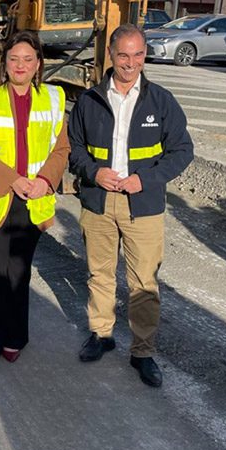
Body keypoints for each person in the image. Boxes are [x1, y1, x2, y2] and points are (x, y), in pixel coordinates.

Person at [68, 24, 193, 387]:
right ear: (111, 54)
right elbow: (74, 150)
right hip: (99, 202)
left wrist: (146, 180)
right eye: (123, 55)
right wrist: (93, 171)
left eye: (138, 54)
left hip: (144, 205)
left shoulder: (161, 101)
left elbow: (183, 151)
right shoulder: (89, 101)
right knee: (99, 274)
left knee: (143, 283)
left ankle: (143, 351)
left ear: (144, 55)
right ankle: (101, 335)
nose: (131, 63)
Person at [0, 30, 70, 364]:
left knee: (19, 273)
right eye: (14, 59)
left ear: (38, 63)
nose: (20, 66)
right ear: (4, 63)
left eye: (27, 59)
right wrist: (12, 180)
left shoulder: (54, 98)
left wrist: (45, 181)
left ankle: (14, 337)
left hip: (34, 198)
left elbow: (61, 148)